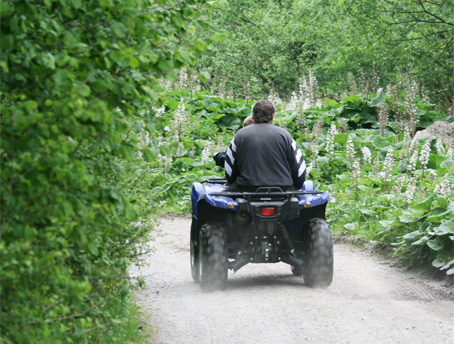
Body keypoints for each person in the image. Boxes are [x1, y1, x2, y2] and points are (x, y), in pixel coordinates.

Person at [224, 99, 306, 191]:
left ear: (253, 116)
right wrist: (296, 186)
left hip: (247, 189)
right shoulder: (285, 135)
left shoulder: (240, 135)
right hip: (283, 190)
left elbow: (229, 170)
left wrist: (233, 182)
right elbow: (300, 170)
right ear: (272, 117)